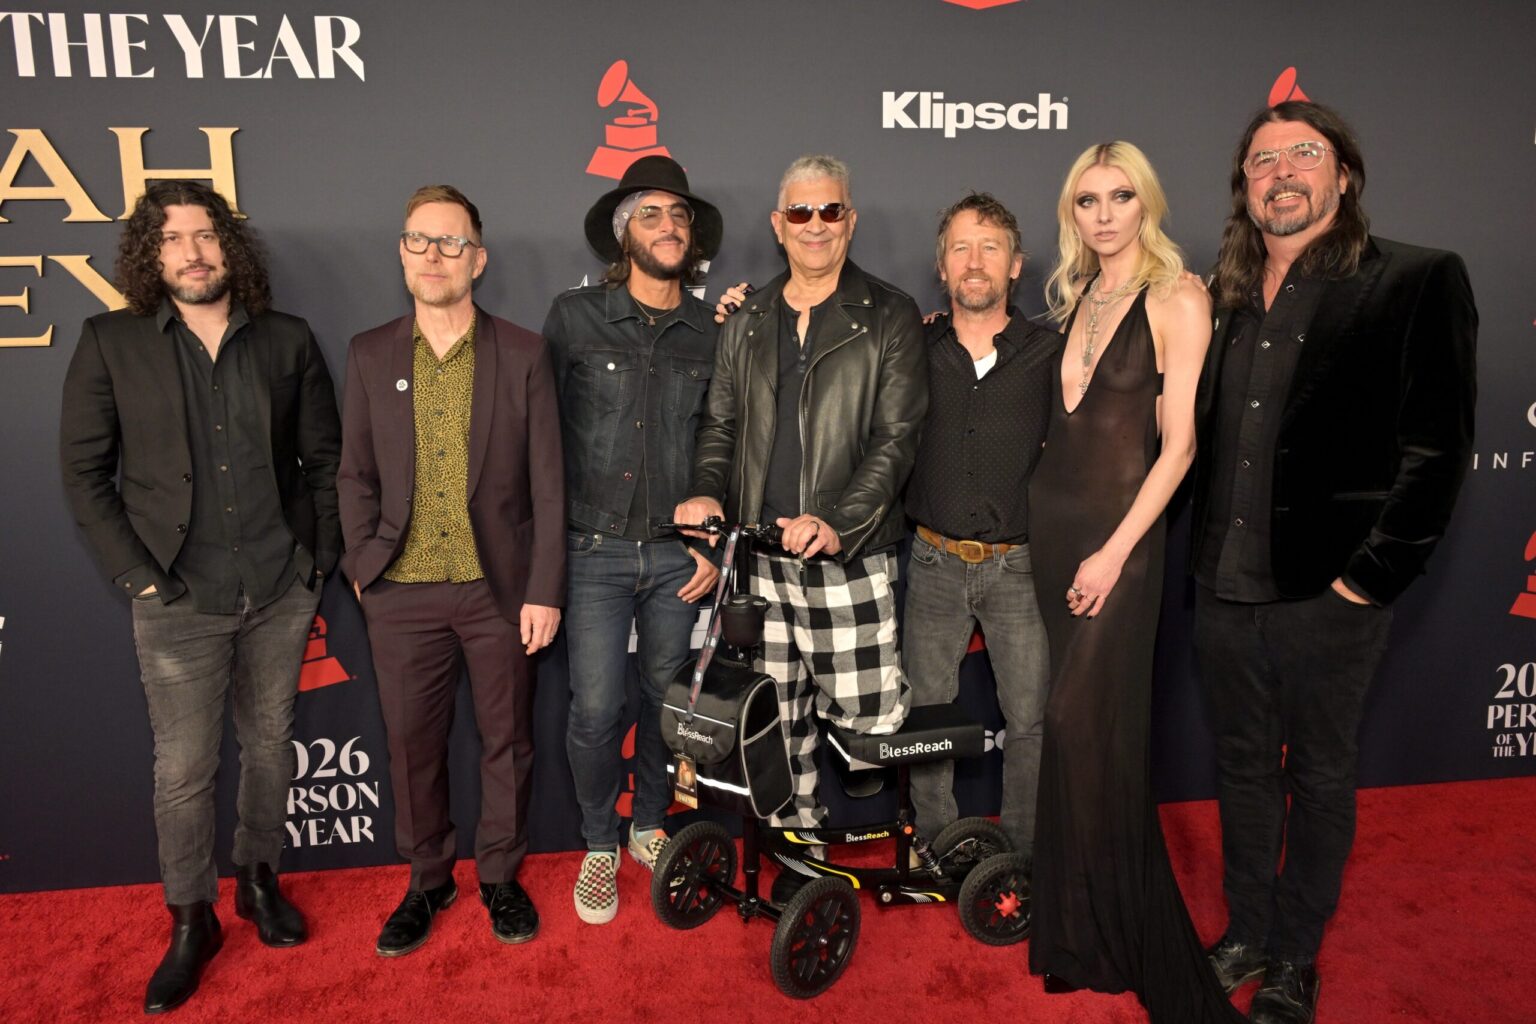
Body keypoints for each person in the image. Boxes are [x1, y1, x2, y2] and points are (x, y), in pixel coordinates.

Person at [1193, 101, 1476, 1024]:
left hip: (1332, 594)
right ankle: (1246, 926)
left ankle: (1294, 957)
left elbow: (1437, 449)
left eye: (1303, 155)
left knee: (1317, 776)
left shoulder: (1416, 279)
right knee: (1240, 771)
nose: (1281, 173)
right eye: (1263, 159)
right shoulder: (1222, 296)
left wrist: (1366, 580)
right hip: (1224, 587)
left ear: (1343, 174)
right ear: (1244, 185)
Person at [59, 180, 341, 1014]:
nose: (192, 251)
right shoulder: (110, 342)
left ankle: (258, 882)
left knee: (269, 747)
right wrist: (140, 575)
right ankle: (192, 918)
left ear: (232, 246)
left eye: (206, 234)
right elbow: (84, 475)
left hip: (280, 587)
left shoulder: (287, 340)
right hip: (177, 596)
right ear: (152, 257)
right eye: (173, 238)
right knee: (184, 772)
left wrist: (316, 559)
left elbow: (324, 460)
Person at [1026, 142, 1238, 1023]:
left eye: (1119, 196)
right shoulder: (1076, 295)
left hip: (1122, 541)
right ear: (1072, 212)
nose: (1104, 213)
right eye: (1087, 200)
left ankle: (1127, 932)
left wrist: (1114, 552)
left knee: (1090, 728)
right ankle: (1079, 935)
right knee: (1070, 736)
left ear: (1145, 203)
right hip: (1052, 532)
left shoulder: (1177, 297)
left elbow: (1179, 447)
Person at [338, 185, 565, 955]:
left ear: (479, 258)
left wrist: (542, 589)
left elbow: (548, 485)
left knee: (506, 743)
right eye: (420, 241)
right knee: (411, 746)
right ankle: (428, 880)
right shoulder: (369, 352)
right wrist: (364, 566)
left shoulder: (526, 353)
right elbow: (353, 475)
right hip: (399, 590)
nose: (434, 256)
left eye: (451, 243)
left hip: (496, 591)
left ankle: (500, 878)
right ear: (403, 253)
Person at [675, 154, 926, 827]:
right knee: (777, 731)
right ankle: (798, 856)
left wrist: (838, 521)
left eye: (830, 210)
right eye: (800, 212)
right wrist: (704, 491)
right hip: (759, 564)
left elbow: (896, 438)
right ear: (778, 226)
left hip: (847, 556)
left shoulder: (890, 315)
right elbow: (720, 427)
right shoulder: (747, 321)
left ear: (850, 221)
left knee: (869, 728)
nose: (816, 225)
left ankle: (894, 836)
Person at [543, 156, 723, 924]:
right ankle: (596, 843)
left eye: (680, 216)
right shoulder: (574, 318)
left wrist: (714, 540)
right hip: (593, 552)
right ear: (623, 234)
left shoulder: (717, 331)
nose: (669, 227)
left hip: (679, 559)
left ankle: (649, 823)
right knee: (593, 710)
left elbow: (728, 440)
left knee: (663, 701)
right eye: (651, 214)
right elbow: (541, 442)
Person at [903, 192, 1058, 857]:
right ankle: (936, 846)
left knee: (1030, 720)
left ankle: (1021, 854)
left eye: (990, 246)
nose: (975, 261)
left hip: (1019, 565)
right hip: (932, 561)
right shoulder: (910, 347)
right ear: (942, 266)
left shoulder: (1052, 352)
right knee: (926, 718)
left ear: (1016, 265)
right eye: (961, 247)